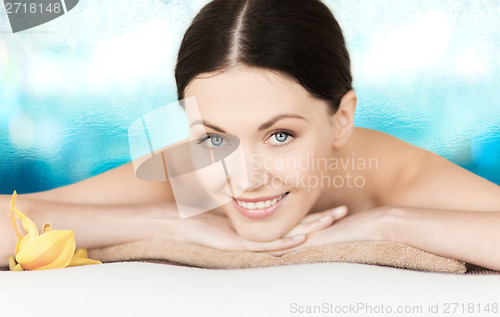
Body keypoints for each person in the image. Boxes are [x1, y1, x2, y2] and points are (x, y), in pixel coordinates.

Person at [2, 0, 500, 270]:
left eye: (280, 135)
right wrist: (166, 222)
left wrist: (390, 223)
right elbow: (15, 220)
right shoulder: (192, 175)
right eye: (215, 137)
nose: (246, 179)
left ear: (342, 119)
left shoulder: (395, 175)